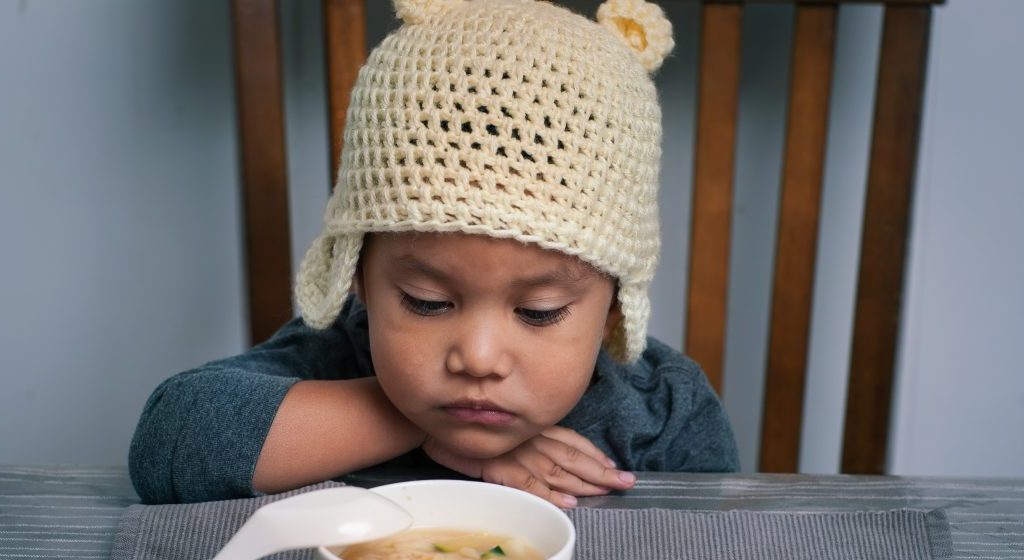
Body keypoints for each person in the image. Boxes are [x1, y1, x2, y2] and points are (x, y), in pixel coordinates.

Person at [129, 0, 739, 507]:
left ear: (612, 308)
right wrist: (418, 424)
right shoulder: (335, 357)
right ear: (360, 280)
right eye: (427, 302)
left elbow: (714, 555)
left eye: (540, 311)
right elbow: (167, 445)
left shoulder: (661, 410)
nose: (478, 359)